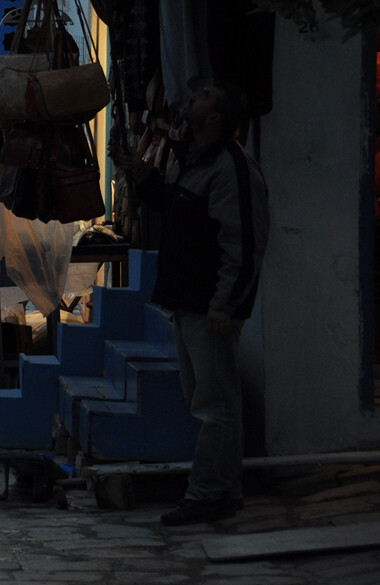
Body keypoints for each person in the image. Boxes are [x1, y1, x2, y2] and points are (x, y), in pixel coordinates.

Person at [110, 82, 269, 527]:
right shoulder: (194, 161)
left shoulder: (231, 168)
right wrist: (135, 172)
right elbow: (170, 206)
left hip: (208, 306)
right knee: (211, 401)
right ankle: (225, 490)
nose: (192, 95)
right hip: (187, 299)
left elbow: (243, 242)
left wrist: (224, 303)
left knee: (214, 405)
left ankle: (205, 494)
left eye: (202, 96)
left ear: (215, 118)